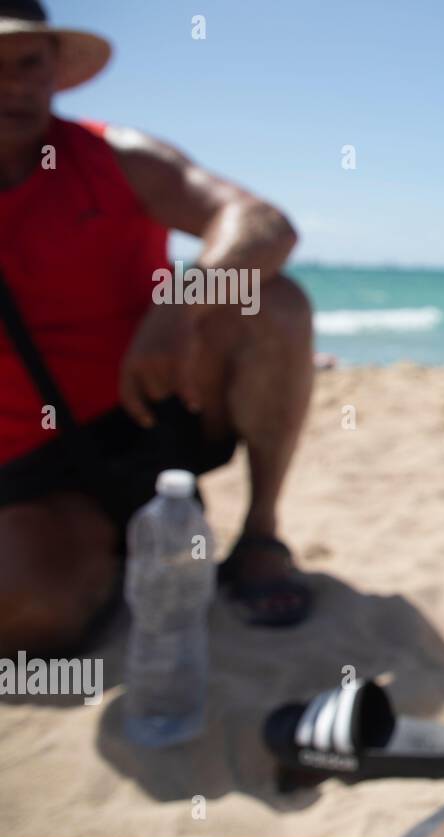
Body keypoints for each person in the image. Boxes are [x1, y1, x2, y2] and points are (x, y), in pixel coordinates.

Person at [0, 1, 314, 655]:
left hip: (152, 412)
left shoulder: (116, 157)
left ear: (56, 68)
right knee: (37, 621)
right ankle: (105, 552)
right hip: (29, 463)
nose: (14, 84)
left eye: (29, 63)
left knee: (272, 301)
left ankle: (259, 532)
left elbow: (263, 222)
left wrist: (180, 304)